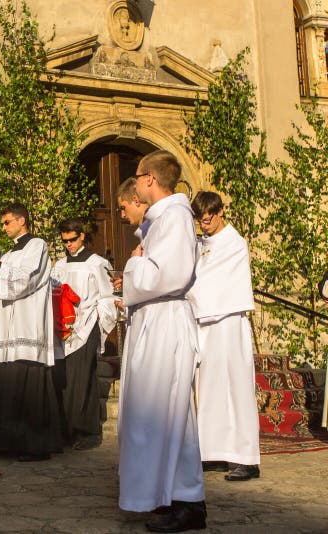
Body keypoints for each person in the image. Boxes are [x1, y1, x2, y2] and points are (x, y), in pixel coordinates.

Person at [118, 150, 206, 532]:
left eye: (136, 177)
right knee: (156, 415)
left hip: (166, 320)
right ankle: (164, 494)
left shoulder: (174, 217)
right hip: (154, 320)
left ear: (149, 178)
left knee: (171, 414)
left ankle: (188, 501)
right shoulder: (161, 220)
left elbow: (162, 276)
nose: (135, 186)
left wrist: (133, 264)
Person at [0, 203, 62, 461]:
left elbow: (27, 279)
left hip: (27, 327)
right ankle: (6, 444)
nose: (3, 227)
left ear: (21, 220)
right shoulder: (9, 255)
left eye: (7, 222)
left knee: (27, 388)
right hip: (5, 332)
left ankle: (32, 446)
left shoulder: (38, 246)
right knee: (5, 386)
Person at [187, 191, 260, 482]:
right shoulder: (201, 244)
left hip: (228, 320)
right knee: (210, 388)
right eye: (201, 221)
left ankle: (247, 458)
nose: (205, 225)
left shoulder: (234, 243)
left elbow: (210, 281)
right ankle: (213, 451)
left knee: (236, 388)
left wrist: (182, 292)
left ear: (219, 212)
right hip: (207, 323)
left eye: (209, 219)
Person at [50, 218, 118, 450]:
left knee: (82, 379)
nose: (68, 244)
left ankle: (87, 431)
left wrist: (98, 321)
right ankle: (65, 430)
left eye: (72, 240)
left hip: (86, 326)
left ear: (82, 236)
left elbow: (108, 296)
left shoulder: (97, 263)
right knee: (64, 380)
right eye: (65, 241)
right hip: (62, 329)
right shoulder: (58, 265)